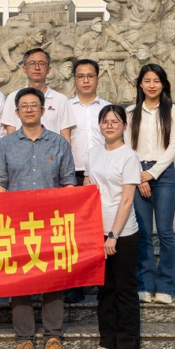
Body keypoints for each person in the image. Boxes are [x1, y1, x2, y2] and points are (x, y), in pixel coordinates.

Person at [0, 87, 76, 349]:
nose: (29, 110)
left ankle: (53, 337)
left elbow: (68, 183)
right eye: (24, 106)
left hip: (51, 223)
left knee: (53, 278)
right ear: (16, 113)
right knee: (20, 278)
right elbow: (0, 183)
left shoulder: (59, 144)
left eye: (34, 105)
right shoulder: (5, 145)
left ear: (42, 110)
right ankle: (24, 339)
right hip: (16, 223)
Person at [85, 104, 142, 349]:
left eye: (115, 121)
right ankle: (107, 342)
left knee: (124, 290)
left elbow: (127, 199)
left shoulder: (128, 156)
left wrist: (113, 235)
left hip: (122, 233)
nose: (109, 126)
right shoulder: (94, 152)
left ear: (124, 126)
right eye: (105, 121)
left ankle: (128, 346)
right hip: (97, 230)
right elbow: (88, 187)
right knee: (105, 290)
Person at [127, 63, 175, 305]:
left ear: (163, 84)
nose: (152, 85)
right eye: (147, 81)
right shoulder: (131, 112)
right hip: (137, 171)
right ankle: (145, 284)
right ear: (140, 84)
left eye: (156, 81)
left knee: (166, 232)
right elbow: (128, 147)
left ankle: (166, 286)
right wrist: (140, 175)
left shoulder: (173, 111)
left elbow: (174, 146)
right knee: (144, 233)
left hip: (164, 174)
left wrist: (151, 174)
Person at [65, 58, 111, 304]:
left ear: (97, 78)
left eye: (90, 76)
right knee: (75, 232)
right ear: (74, 79)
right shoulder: (65, 107)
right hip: (73, 173)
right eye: (81, 76)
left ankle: (104, 283)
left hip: (104, 174)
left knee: (103, 228)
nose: (85, 80)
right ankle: (76, 285)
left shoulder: (107, 108)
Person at [1, 48, 75, 143]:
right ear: (24, 69)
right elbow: (10, 135)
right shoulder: (13, 98)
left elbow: (65, 137)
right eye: (32, 63)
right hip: (21, 151)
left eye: (42, 64)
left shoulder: (61, 100)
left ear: (48, 69)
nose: (37, 68)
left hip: (52, 151)